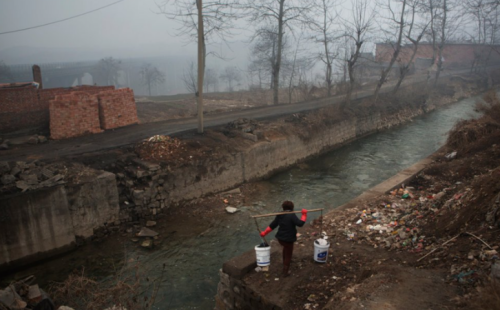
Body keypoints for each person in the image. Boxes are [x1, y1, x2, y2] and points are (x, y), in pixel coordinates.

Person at [260, 200, 307, 276]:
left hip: (280, 238)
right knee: (289, 254)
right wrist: (304, 215)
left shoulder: (280, 214)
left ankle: (284, 262)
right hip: (288, 239)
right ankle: (285, 272)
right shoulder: (292, 215)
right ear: (292, 208)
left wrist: (264, 232)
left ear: (283, 207)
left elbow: (273, 225)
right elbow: (300, 224)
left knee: (285, 248)